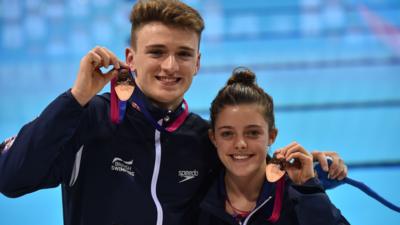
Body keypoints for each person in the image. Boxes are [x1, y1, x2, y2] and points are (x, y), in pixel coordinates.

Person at [0, 1, 347, 225]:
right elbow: (11, 178)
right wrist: (75, 98)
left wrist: (314, 171)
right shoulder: (90, 120)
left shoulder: (203, 139)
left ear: (197, 63)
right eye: (156, 52)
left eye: (183, 54)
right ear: (131, 59)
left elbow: (256, 177)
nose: (170, 65)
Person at [199, 67, 350, 225]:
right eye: (227, 134)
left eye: (252, 133)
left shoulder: (296, 194)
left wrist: (310, 190)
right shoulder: (196, 192)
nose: (240, 144)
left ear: (271, 136)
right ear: (213, 138)